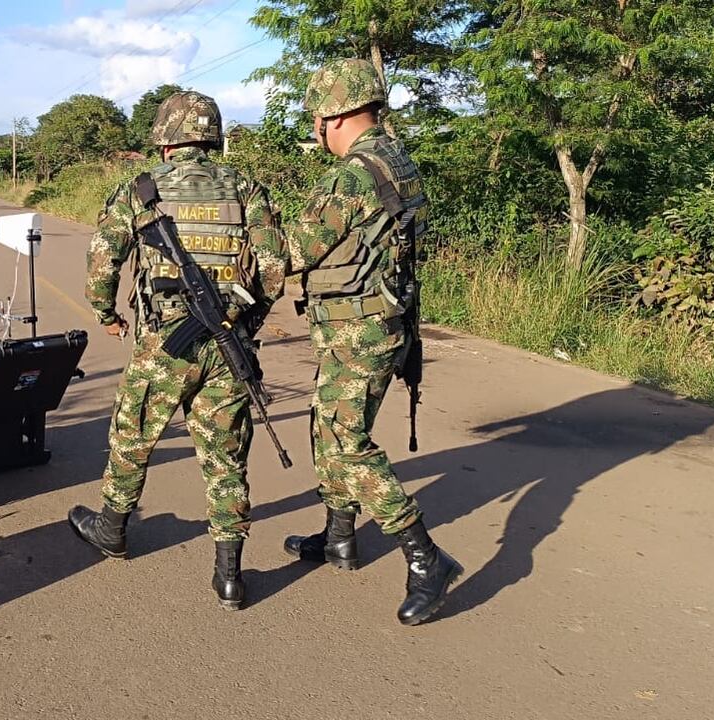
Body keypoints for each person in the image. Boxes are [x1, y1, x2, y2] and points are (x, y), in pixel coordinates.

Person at [68, 91, 287, 610]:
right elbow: (276, 269)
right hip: (228, 342)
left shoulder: (140, 190)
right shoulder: (247, 189)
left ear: (165, 139)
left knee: (132, 434)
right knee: (225, 455)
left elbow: (103, 262)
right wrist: (242, 319)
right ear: (213, 137)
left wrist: (106, 314)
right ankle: (229, 574)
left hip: (165, 342)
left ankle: (112, 529)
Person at [281, 58, 462, 626]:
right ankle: (339, 538)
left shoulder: (351, 176)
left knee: (345, 442)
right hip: (379, 322)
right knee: (325, 422)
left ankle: (426, 557)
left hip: (359, 329)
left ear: (332, 115)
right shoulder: (398, 159)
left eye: (316, 114)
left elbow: (291, 252)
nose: (315, 125)